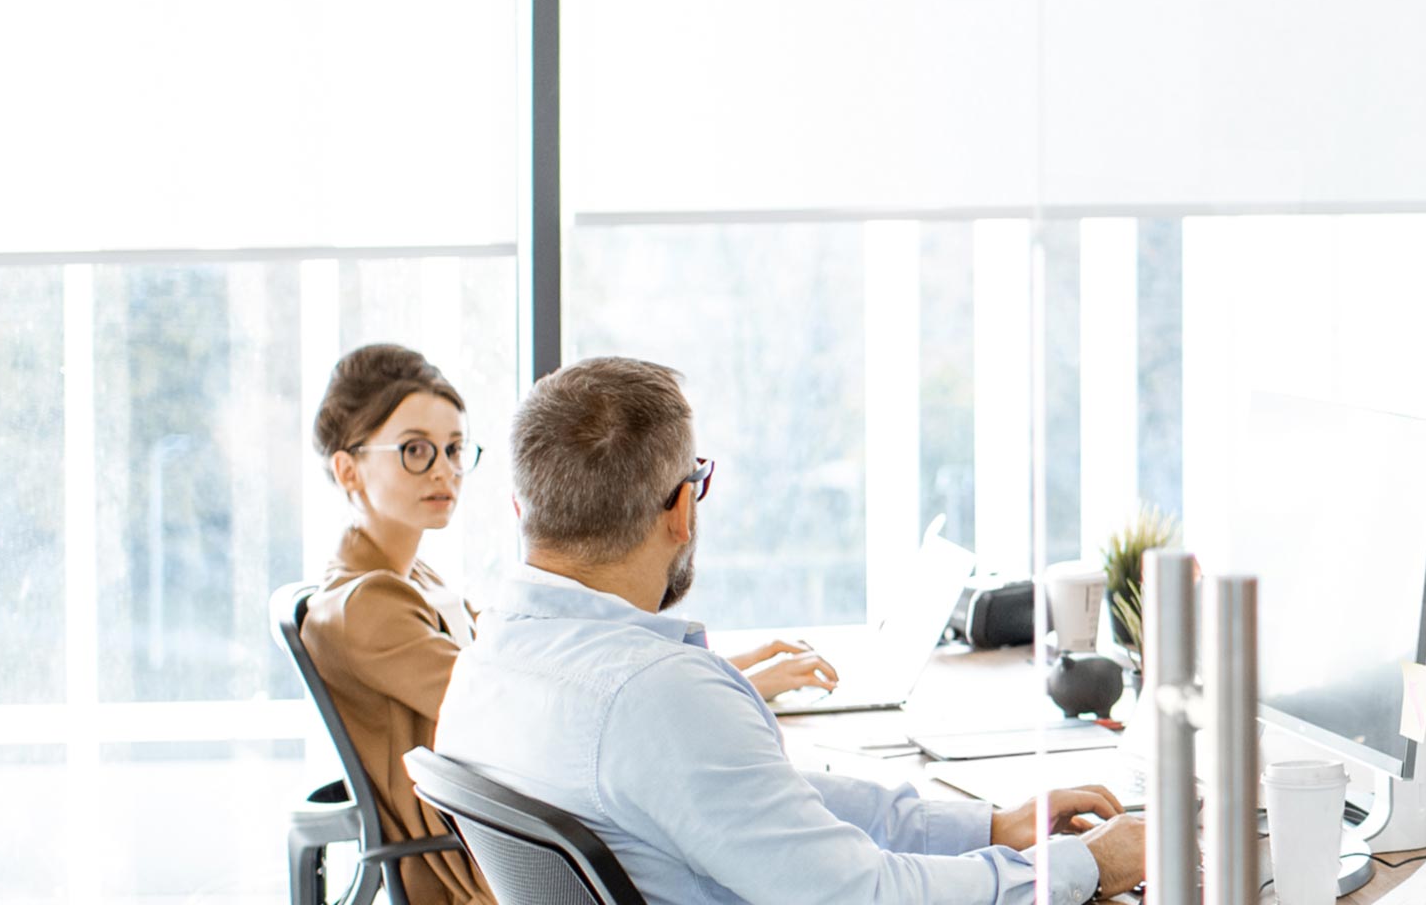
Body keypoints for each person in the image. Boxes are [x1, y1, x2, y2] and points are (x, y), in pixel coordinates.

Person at [435, 357, 1144, 904]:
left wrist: (987, 828)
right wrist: (1077, 865)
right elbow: (863, 895)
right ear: (682, 507)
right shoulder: (655, 694)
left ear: (520, 508)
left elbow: (755, 799)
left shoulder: (485, 665)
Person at [298, 345, 840, 905]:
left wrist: (731, 670)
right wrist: (735, 686)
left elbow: (548, 663)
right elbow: (531, 701)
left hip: (515, 842)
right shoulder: (364, 604)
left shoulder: (414, 576)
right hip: (490, 866)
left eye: (455, 449)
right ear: (347, 468)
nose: (444, 470)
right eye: (416, 450)